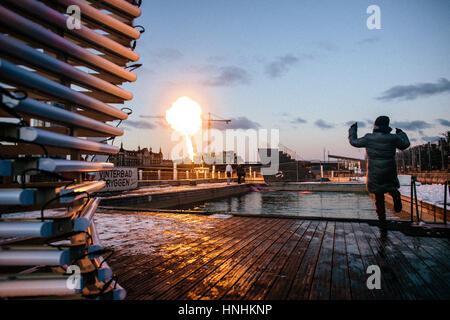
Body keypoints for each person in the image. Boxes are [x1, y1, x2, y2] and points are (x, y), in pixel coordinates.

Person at [348, 116, 410, 226]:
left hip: (375, 171)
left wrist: (353, 129)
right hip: (389, 169)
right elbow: (405, 145)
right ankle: (396, 197)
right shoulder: (393, 138)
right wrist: (401, 133)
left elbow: (354, 142)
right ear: (387, 126)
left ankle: (382, 220)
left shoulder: (369, 138)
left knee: (379, 197)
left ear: (375, 125)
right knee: (391, 187)